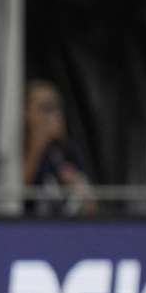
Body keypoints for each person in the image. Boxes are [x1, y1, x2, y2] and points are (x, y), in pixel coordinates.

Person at [22, 80, 96, 215]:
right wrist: (38, 146)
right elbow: (16, 196)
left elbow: (91, 206)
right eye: (45, 108)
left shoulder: (68, 151)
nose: (53, 115)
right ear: (26, 112)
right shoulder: (19, 147)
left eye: (56, 108)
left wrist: (76, 182)